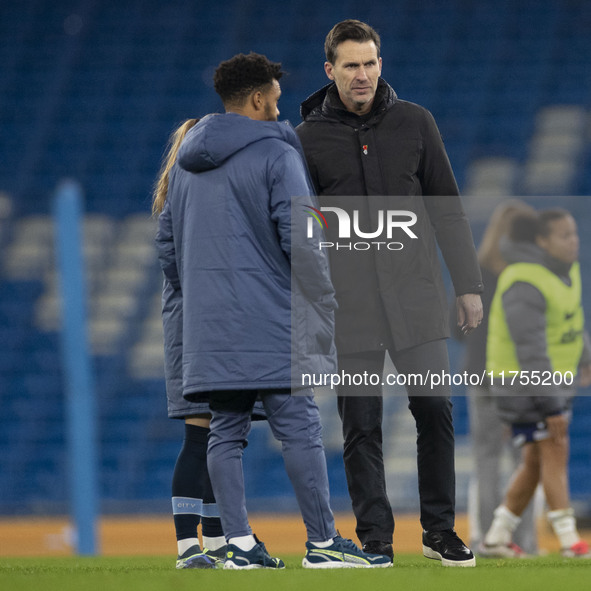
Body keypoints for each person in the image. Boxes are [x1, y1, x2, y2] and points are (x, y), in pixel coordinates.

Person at [154, 52, 391, 570]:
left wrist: (202, 302)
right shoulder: (277, 155)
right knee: (300, 428)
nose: (278, 111)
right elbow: (305, 243)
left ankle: (237, 546)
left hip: (208, 327)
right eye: (276, 101)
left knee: (225, 431)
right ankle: (323, 543)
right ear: (260, 98)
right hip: (273, 322)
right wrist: (323, 306)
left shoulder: (185, 165)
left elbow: (167, 249)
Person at [296, 19, 483, 567]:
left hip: (416, 300)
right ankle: (376, 540)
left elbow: (447, 208)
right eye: (351, 65)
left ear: (382, 64)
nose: (363, 74)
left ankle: (440, 531)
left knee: (435, 410)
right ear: (330, 71)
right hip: (347, 308)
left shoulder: (416, 123)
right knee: (361, 425)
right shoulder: (305, 139)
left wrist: (468, 286)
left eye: (370, 62)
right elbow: (304, 230)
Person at [481, 208, 591, 558]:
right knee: (555, 451)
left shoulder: (565, 271)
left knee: (533, 462)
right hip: (524, 386)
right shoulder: (524, 281)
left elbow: (571, 318)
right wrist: (551, 404)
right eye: (564, 235)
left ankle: (497, 537)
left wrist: (585, 356)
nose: (573, 241)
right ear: (542, 241)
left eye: (574, 233)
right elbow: (529, 350)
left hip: (550, 383)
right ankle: (569, 541)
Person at [452, 200, 539, 555]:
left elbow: (456, 329)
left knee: (486, 460)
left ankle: (485, 539)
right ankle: (526, 542)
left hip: (482, 376)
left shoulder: (475, 272)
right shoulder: (533, 274)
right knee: (527, 462)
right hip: (521, 378)